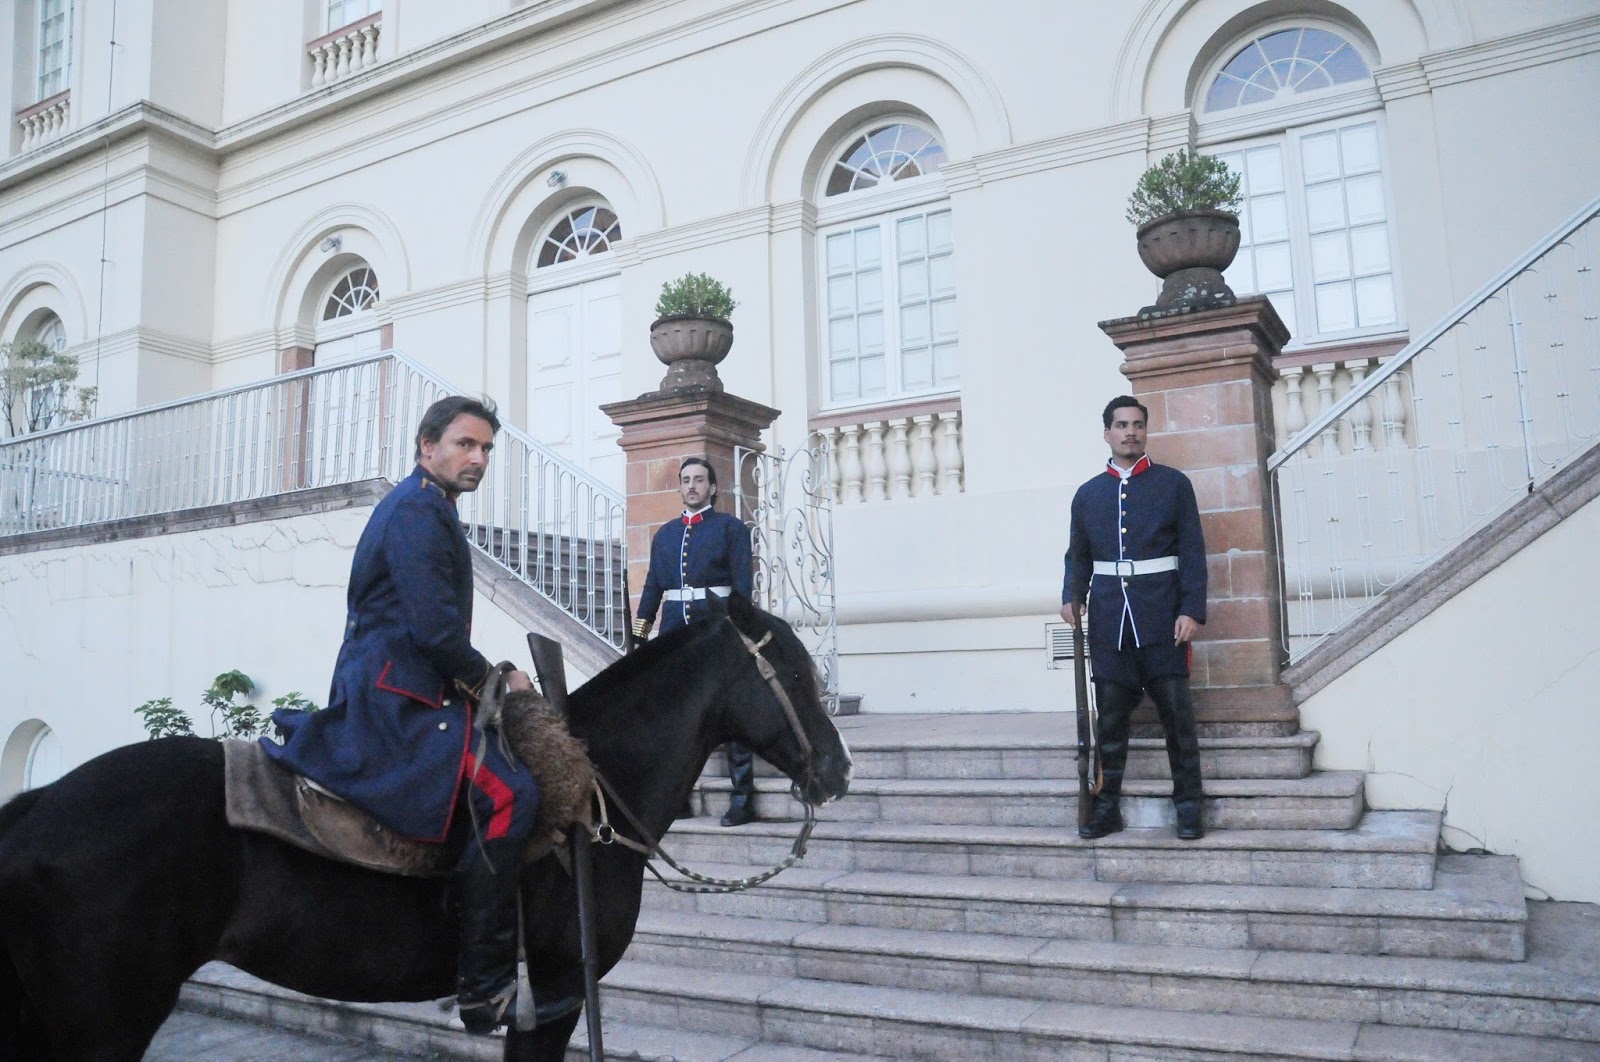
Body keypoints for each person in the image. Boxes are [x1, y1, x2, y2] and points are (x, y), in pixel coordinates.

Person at [263, 395, 539, 1034]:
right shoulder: (418, 511)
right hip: (394, 703)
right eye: (465, 444)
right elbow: (437, 635)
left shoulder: (429, 507)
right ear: (427, 446)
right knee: (511, 795)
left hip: (409, 688)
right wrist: (498, 681)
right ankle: (484, 981)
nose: (477, 458)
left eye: (487, 449)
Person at [1062, 395, 1207, 841]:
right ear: (1107, 433)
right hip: (1110, 622)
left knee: (1178, 724)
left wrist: (1191, 609)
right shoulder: (1088, 494)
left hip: (1163, 619)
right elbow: (1078, 555)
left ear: (1146, 431)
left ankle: (1189, 808)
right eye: (1122, 425)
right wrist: (1072, 594)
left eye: (1138, 425)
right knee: (1110, 727)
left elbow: (1193, 552)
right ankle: (1106, 810)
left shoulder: (1173, 485)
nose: (1131, 432)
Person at [632, 456, 757, 826]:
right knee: (678, 719)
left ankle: (742, 797)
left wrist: (737, 624)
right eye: (686, 480)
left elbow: (742, 585)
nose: (691, 486)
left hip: (717, 626)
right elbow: (654, 584)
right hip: (674, 632)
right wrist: (641, 633)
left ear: (712, 488)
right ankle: (678, 797)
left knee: (732, 712)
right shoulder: (666, 534)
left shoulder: (730, 528)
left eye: (699, 480)